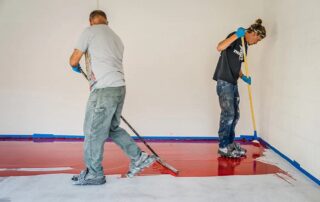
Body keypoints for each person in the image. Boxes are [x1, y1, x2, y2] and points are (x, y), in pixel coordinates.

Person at [69, 10, 155, 185]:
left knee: (93, 132)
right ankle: (138, 157)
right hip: (119, 88)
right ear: (106, 22)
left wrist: (76, 65)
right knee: (111, 129)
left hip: (103, 90)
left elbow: (73, 60)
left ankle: (94, 174)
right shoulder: (116, 38)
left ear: (91, 21)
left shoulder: (89, 31)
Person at [213, 19, 266, 158]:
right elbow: (219, 47)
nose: (256, 43)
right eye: (258, 39)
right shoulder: (236, 38)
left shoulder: (245, 46)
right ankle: (223, 146)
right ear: (253, 33)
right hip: (224, 81)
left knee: (235, 115)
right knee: (228, 114)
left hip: (233, 82)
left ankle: (230, 143)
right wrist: (236, 35)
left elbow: (237, 67)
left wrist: (243, 77)